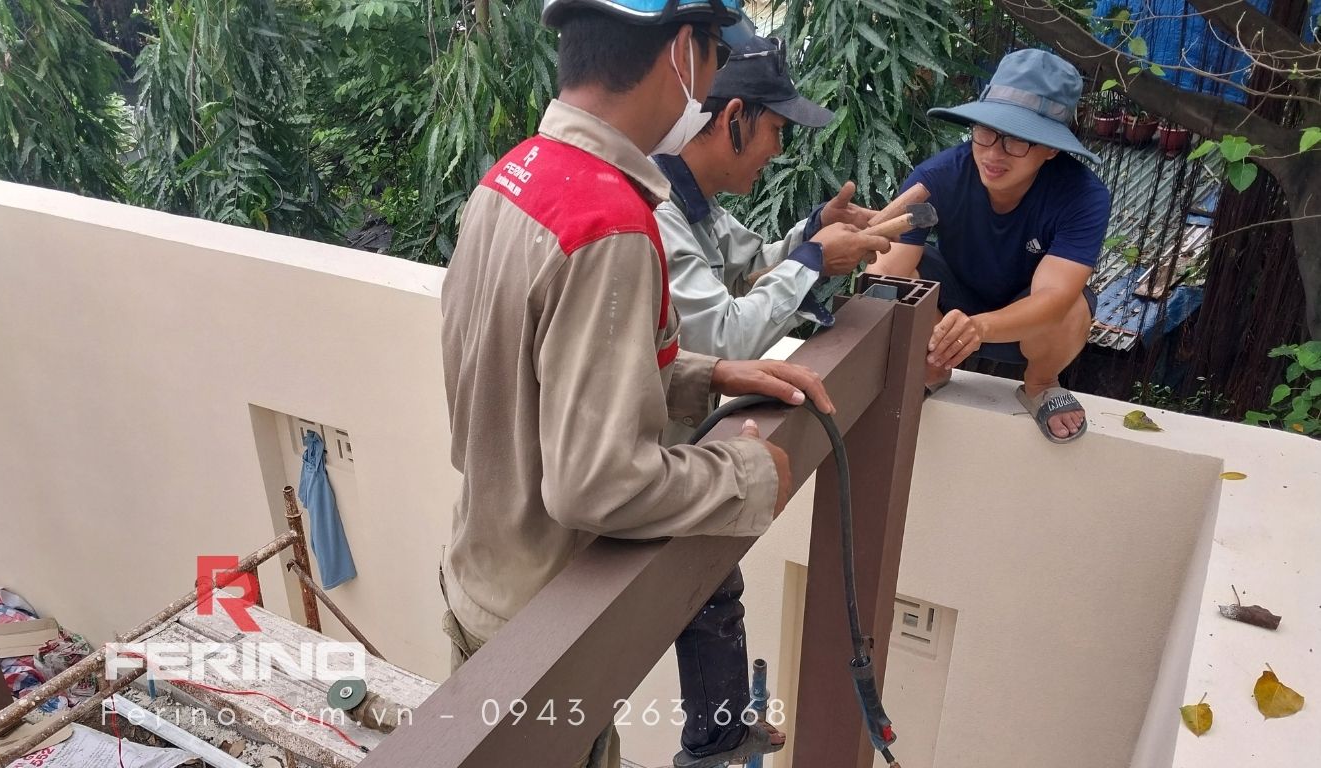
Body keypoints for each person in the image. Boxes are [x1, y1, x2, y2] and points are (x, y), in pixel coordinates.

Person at [439, 2, 829, 766]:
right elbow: (597, 485)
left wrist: (705, 374)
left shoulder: (513, 175)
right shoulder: (608, 221)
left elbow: (538, 367)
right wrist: (748, 475)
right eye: (715, 57)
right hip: (544, 636)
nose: (712, 88)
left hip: (480, 579)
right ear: (684, 52)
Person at [867, 48, 1111, 443]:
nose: (994, 153)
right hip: (947, 316)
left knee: (1073, 306)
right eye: (986, 132)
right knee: (895, 278)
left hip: (1027, 326)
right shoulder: (940, 175)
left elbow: (1054, 297)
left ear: (1051, 148)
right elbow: (884, 270)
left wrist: (979, 328)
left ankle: (1041, 383)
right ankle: (930, 368)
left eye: (1017, 141)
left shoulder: (1083, 196)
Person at [653, 35, 889, 371]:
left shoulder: (694, 201)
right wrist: (814, 260)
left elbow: (748, 272)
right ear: (734, 117)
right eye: (776, 128)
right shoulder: (658, 212)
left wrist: (814, 233)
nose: (778, 149)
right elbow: (721, 340)